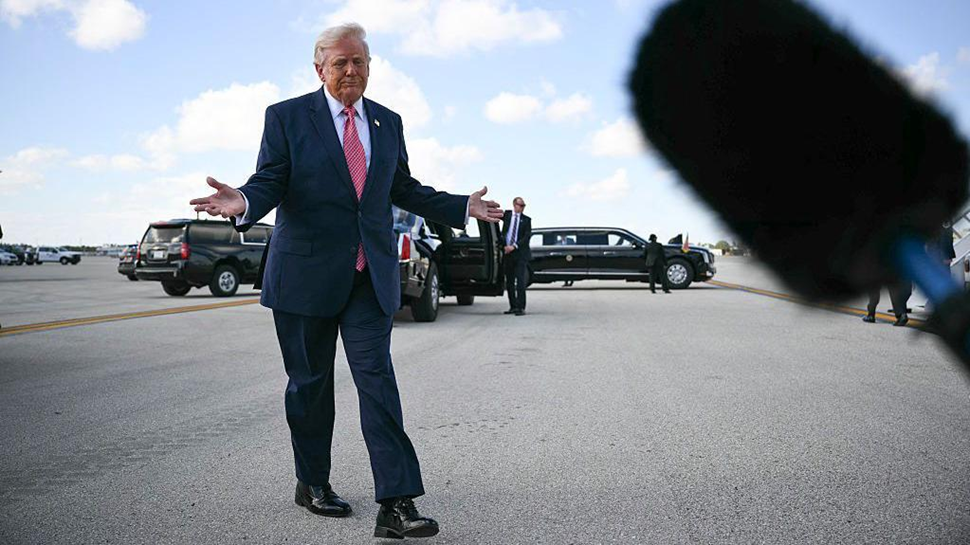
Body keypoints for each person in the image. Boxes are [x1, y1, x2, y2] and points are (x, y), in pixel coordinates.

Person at [189, 23, 502, 540]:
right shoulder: (288, 116)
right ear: (320, 69)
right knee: (310, 386)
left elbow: (402, 186)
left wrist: (458, 206)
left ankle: (396, 503)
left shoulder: (387, 122)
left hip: (367, 276)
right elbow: (271, 178)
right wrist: (242, 200)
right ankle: (312, 482)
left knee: (378, 383)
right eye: (341, 63)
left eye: (359, 62)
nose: (351, 70)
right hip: (305, 275)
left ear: (370, 67)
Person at [501, 197, 531, 316]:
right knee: (509, 281)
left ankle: (520, 307)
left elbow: (526, 236)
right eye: (520, 205)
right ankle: (513, 306)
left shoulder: (526, 220)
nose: (522, 208)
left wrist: (514, 246)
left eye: (524, 206)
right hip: (508, 253)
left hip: (520, 254)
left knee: (520, 281)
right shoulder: (507, 215)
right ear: (514, 205)